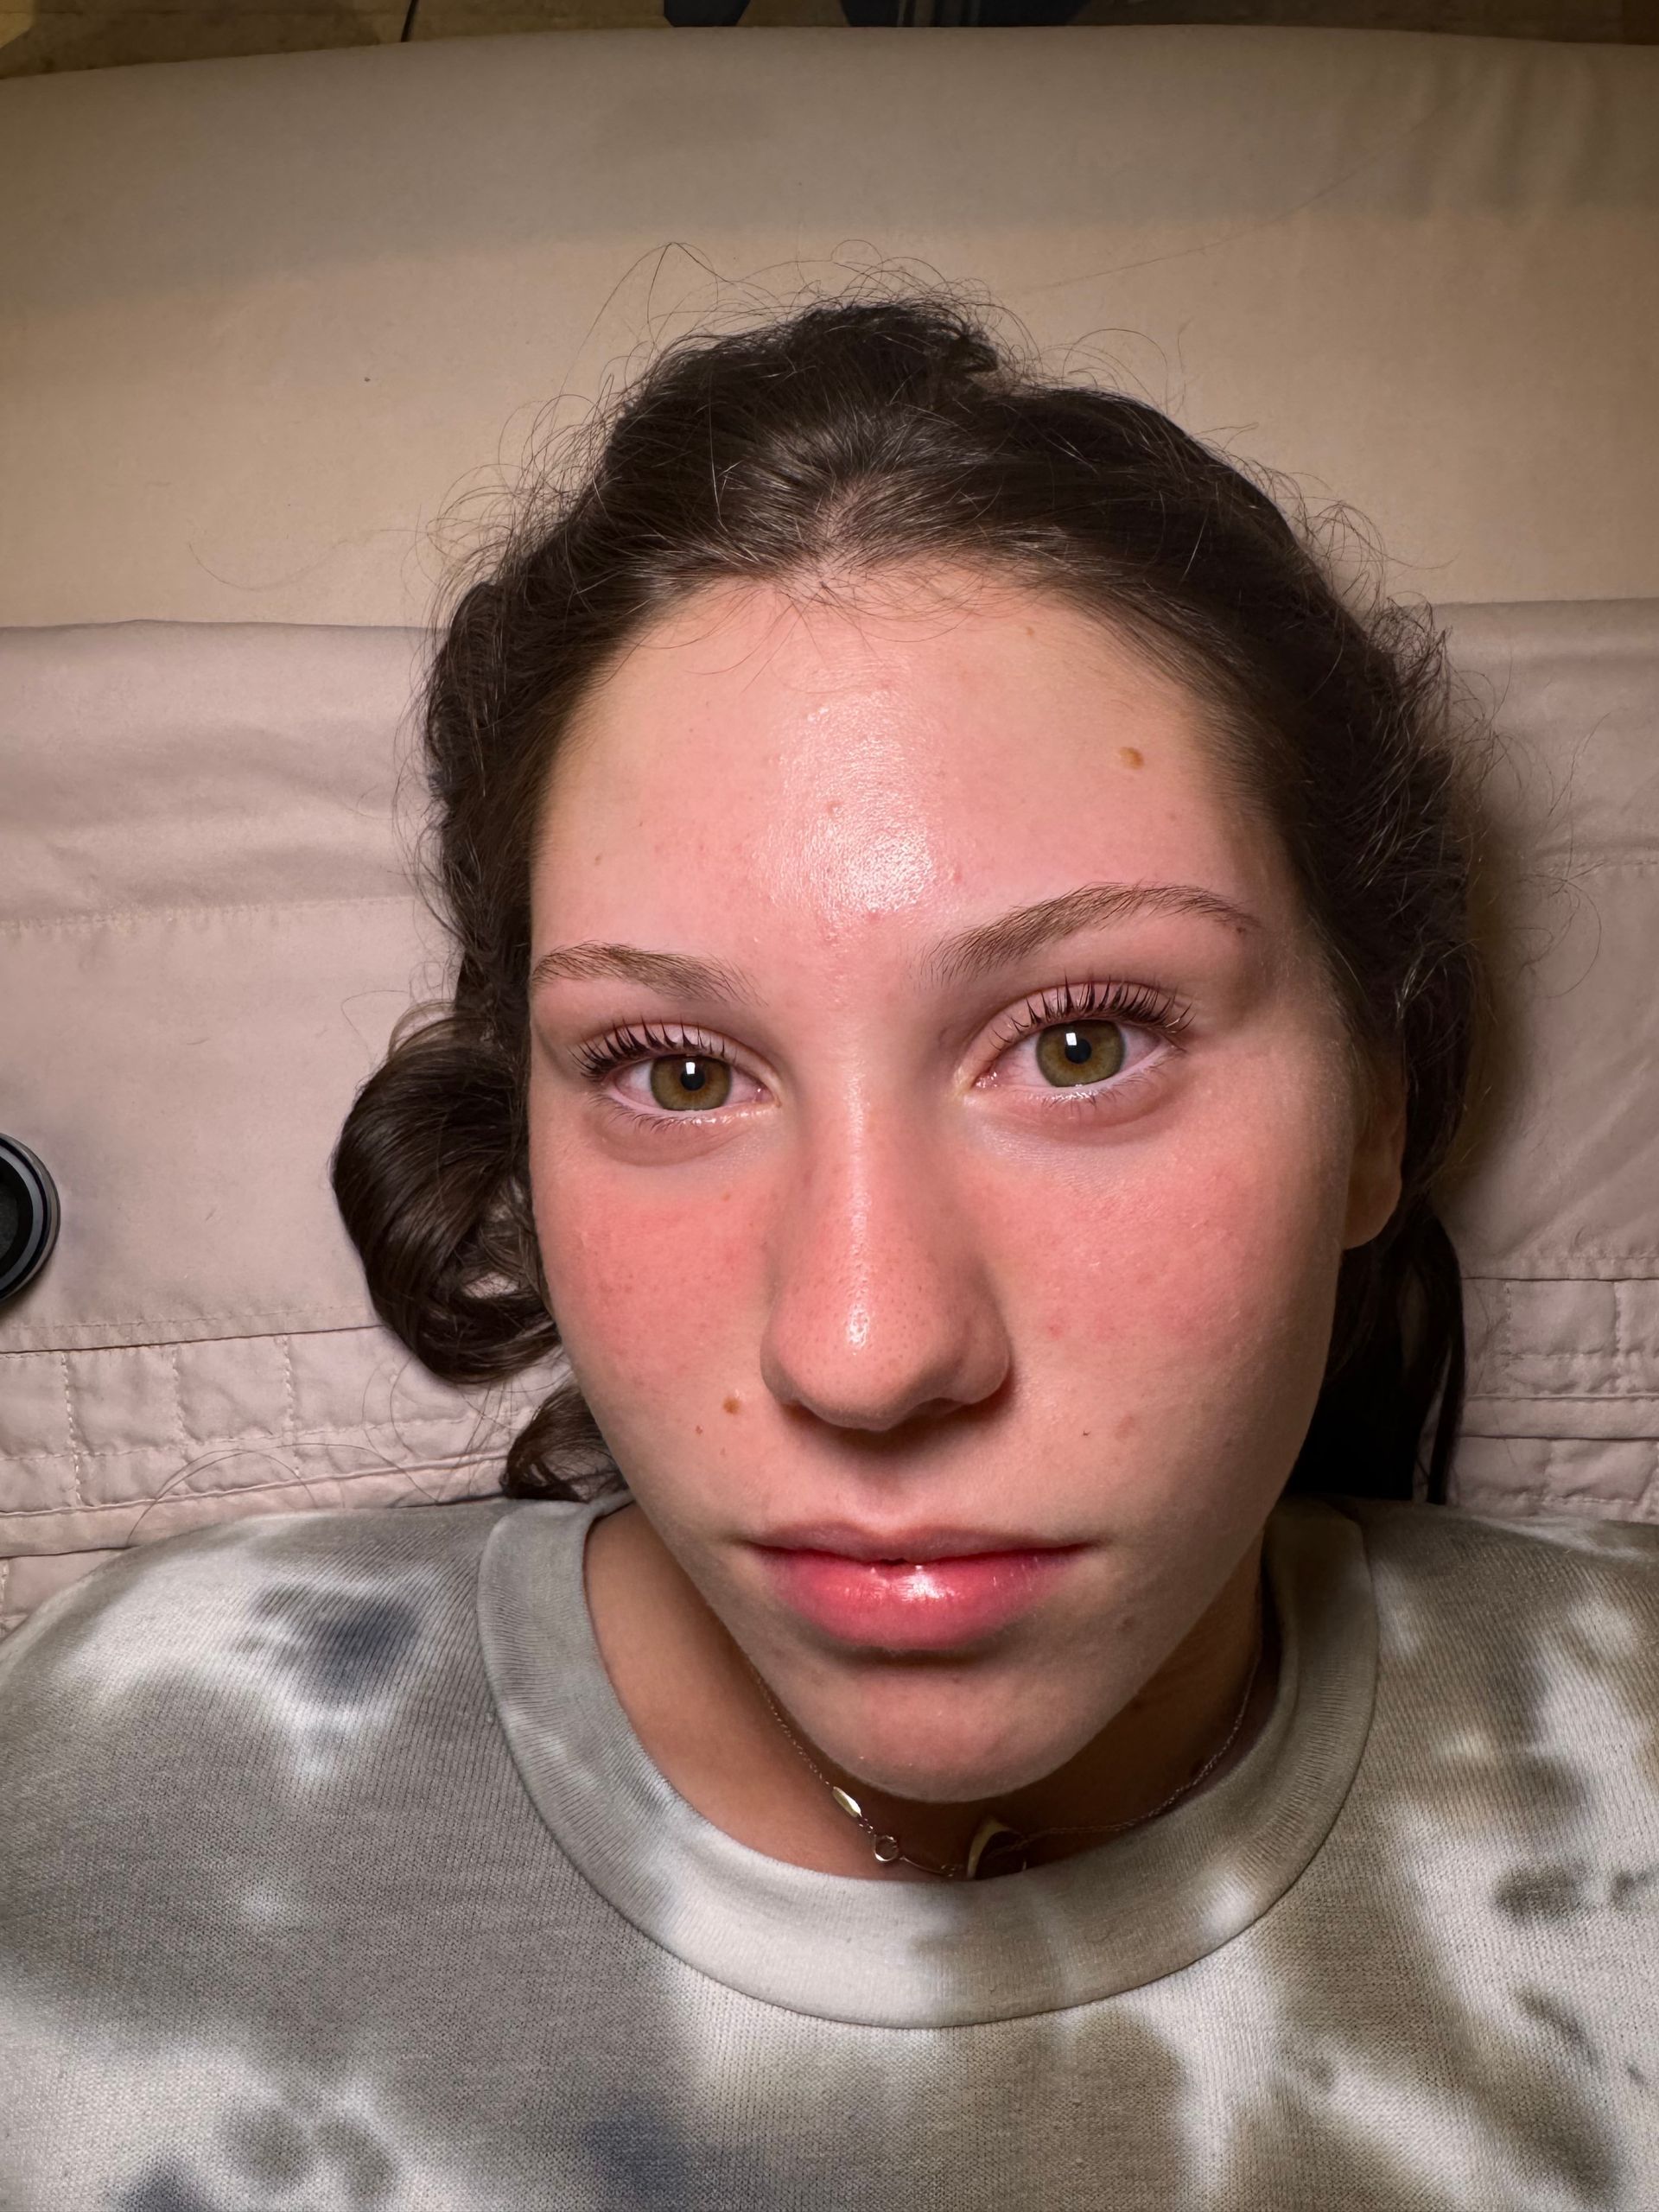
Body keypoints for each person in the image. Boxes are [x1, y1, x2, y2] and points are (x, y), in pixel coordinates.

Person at [2, 291, 1654, 2209]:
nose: (867, 1349)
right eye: (679, 1070)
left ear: (1376, 1104)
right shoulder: (130, 1775)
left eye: (1082, 1044)